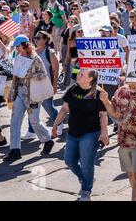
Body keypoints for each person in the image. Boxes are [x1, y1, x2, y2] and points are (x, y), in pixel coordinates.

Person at [52, 69, 109, 201]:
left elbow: (103, 115)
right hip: (73, 132)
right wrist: (55, 125)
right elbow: (65, 108)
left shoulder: (98, 93)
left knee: (86, 164)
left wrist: (104, 133)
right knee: (69, 161)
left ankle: (85, 191)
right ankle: (86, 179)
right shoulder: (72, 89)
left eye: (82, 74)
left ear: (90, 79)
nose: (78, 75)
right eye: (79, 73)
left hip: (90, 133)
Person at [4, 35, 54, 162]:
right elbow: (15, 76)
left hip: (32, 94)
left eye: (18, 46)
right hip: (19, 92)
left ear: (25, 45)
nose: (16, 48)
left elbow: (43, 74)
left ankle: (47, 140)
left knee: (34, 121)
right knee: (15, 120)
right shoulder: (18, 58)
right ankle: (15, 149)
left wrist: (29, 74)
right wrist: (11, 93)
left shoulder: (35, 58)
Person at [100, 82, 136, 201]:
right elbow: (114, 111)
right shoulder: (121, 91)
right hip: (124, 139)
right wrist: (105, 101)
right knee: (130, 173)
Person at [21, 31, 61, 139]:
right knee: (32, 108)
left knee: (48, 106)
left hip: (46, 85)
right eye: (35, 38)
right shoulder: (32, 52)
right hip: (33, 85)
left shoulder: (50, 52)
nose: (36, 40)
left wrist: (55, 85)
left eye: (39, 38)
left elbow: (55, 70)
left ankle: (58, 124)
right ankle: (31, 131)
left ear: (46, 40)